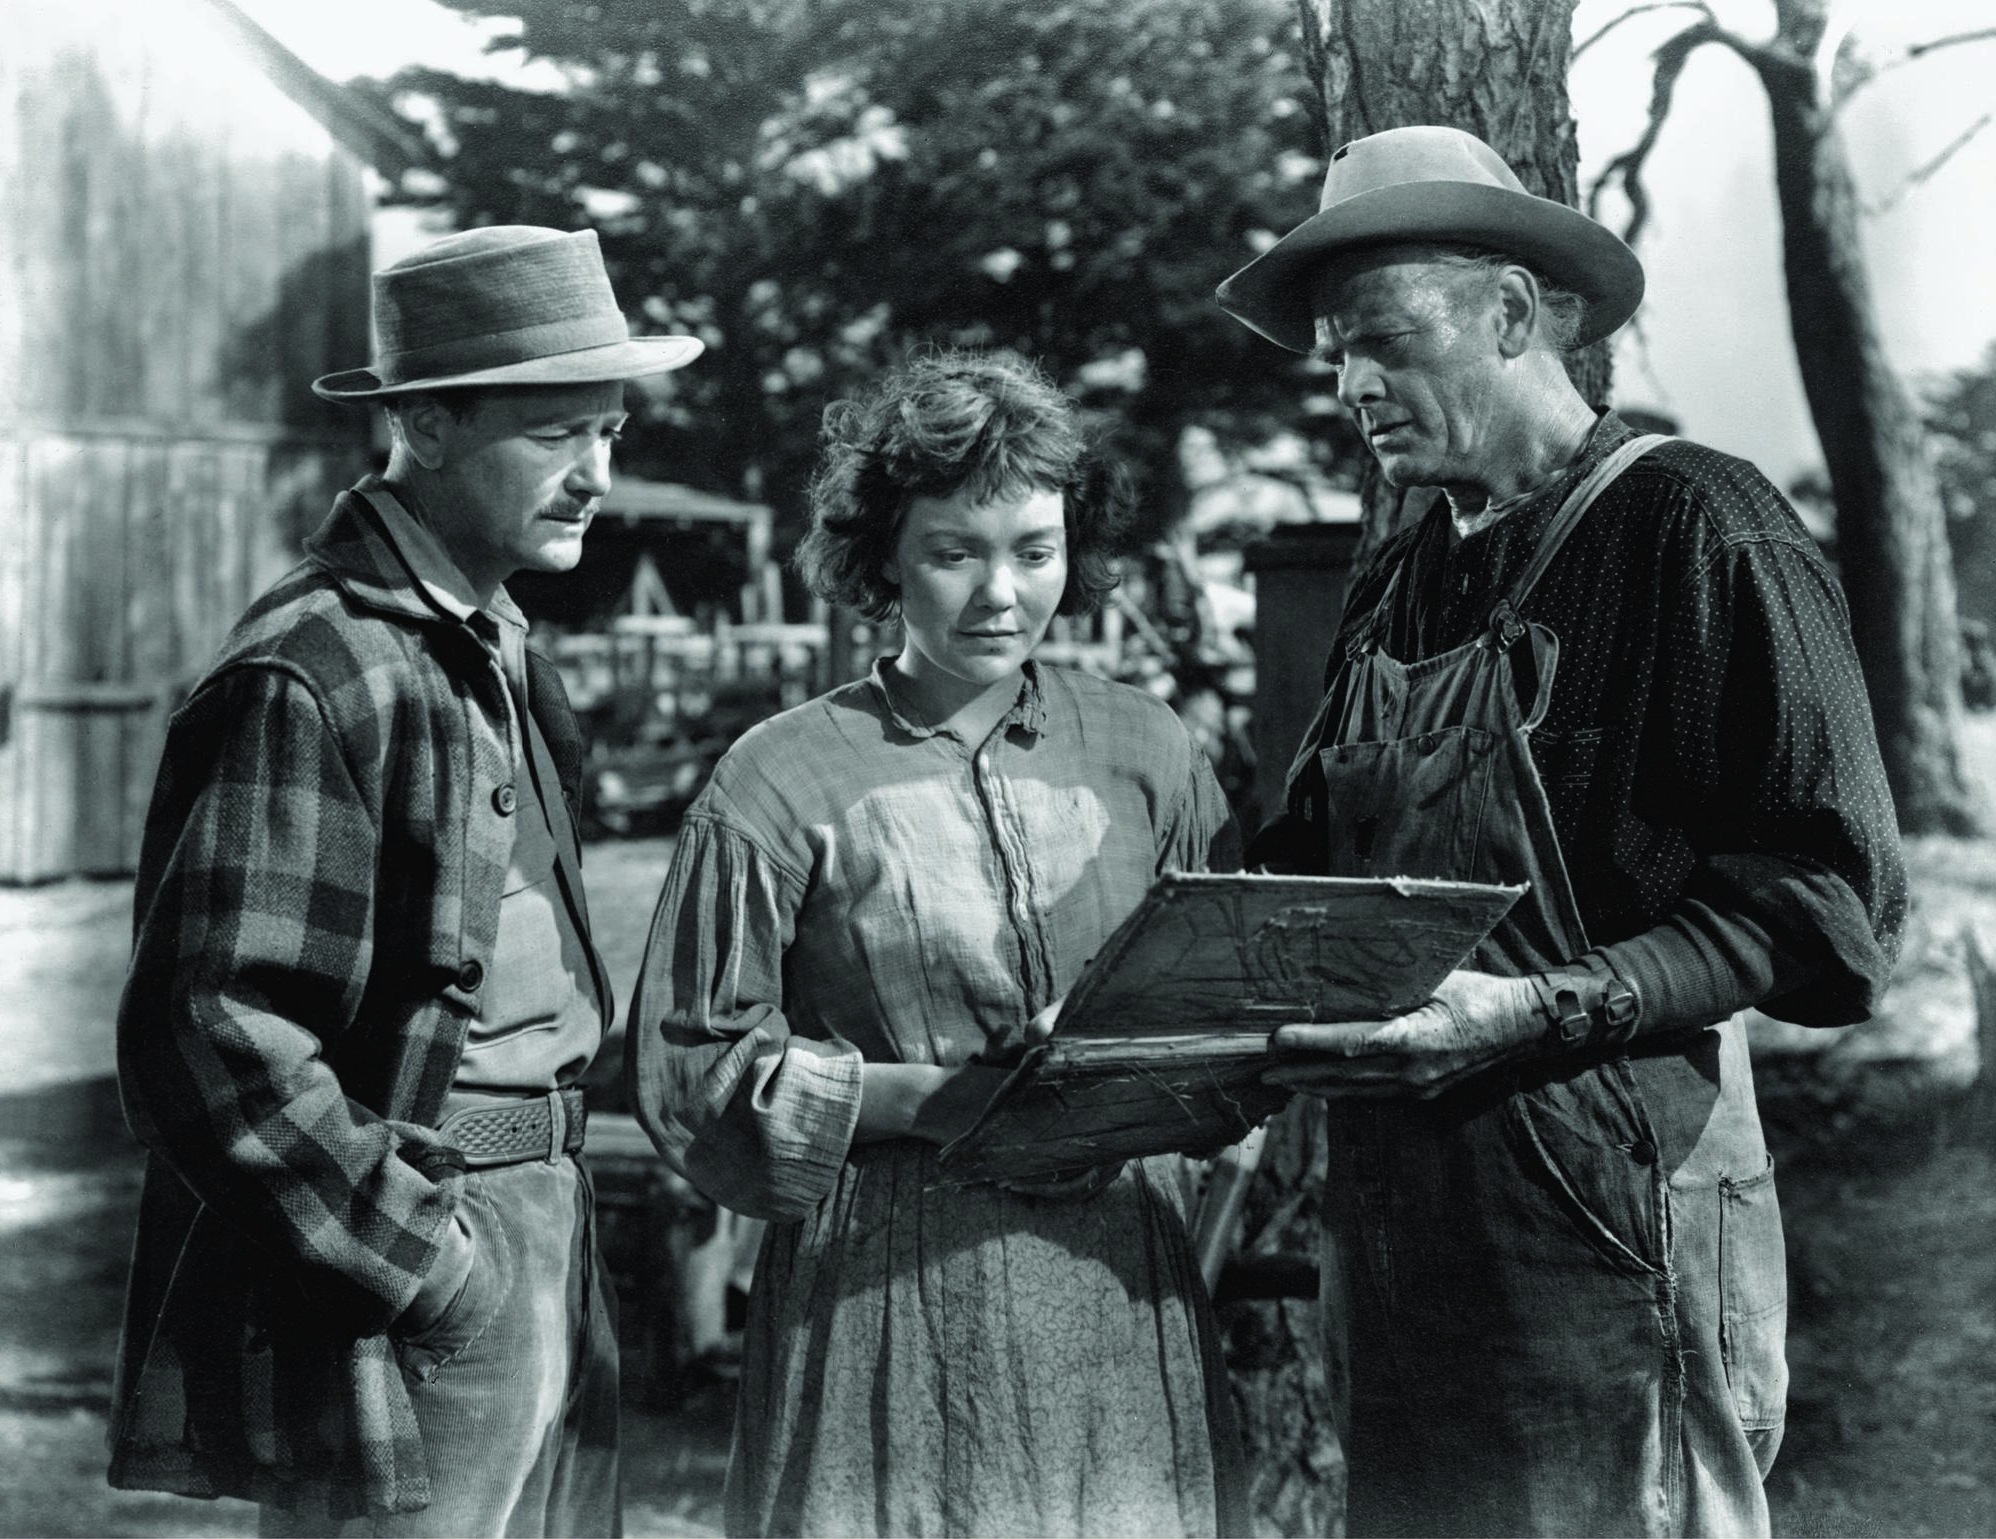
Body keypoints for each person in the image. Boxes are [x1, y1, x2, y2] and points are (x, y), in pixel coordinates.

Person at [1215, 126, 1905, 1536]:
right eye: (1338, 353)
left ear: (1518, 314)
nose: (1353, 385)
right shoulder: (1407, 572)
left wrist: (1530, 1004)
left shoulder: (1700, 528)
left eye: (1387, 342)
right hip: (1407, 1229)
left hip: (1606, 1212)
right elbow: (1301, 861)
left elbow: (1829, 906)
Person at [107, 226, 703, 1536]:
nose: (598, 475)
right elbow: (206, 1035)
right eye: (558, 433)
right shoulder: (316, 665)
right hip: (433, 1255)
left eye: (610, 429)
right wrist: (430, 1265)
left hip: (552, 1213)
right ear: (423, 425)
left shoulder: (491, 641)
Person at [624, 350, 1249, 1538]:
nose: (1001, 594)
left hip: (1121, 1280)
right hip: (888, 1293)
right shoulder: (782, 773)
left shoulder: (1147, 750)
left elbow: (1232, 1004)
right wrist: (928, 1099)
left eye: (1035, 551)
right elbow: (689, 1073)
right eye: (955, 552)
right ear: (883, 559)